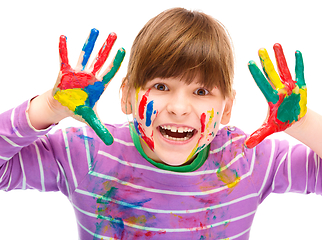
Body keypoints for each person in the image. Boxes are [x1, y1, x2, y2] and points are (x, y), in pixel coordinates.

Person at [0, 7, 321, 240]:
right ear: (126, 95)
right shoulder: (87, 154)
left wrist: (301, 122)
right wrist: (49, 106)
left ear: (227, 109)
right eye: (162, 86)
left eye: (201, 91)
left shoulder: (246, 161)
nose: (179, 108)